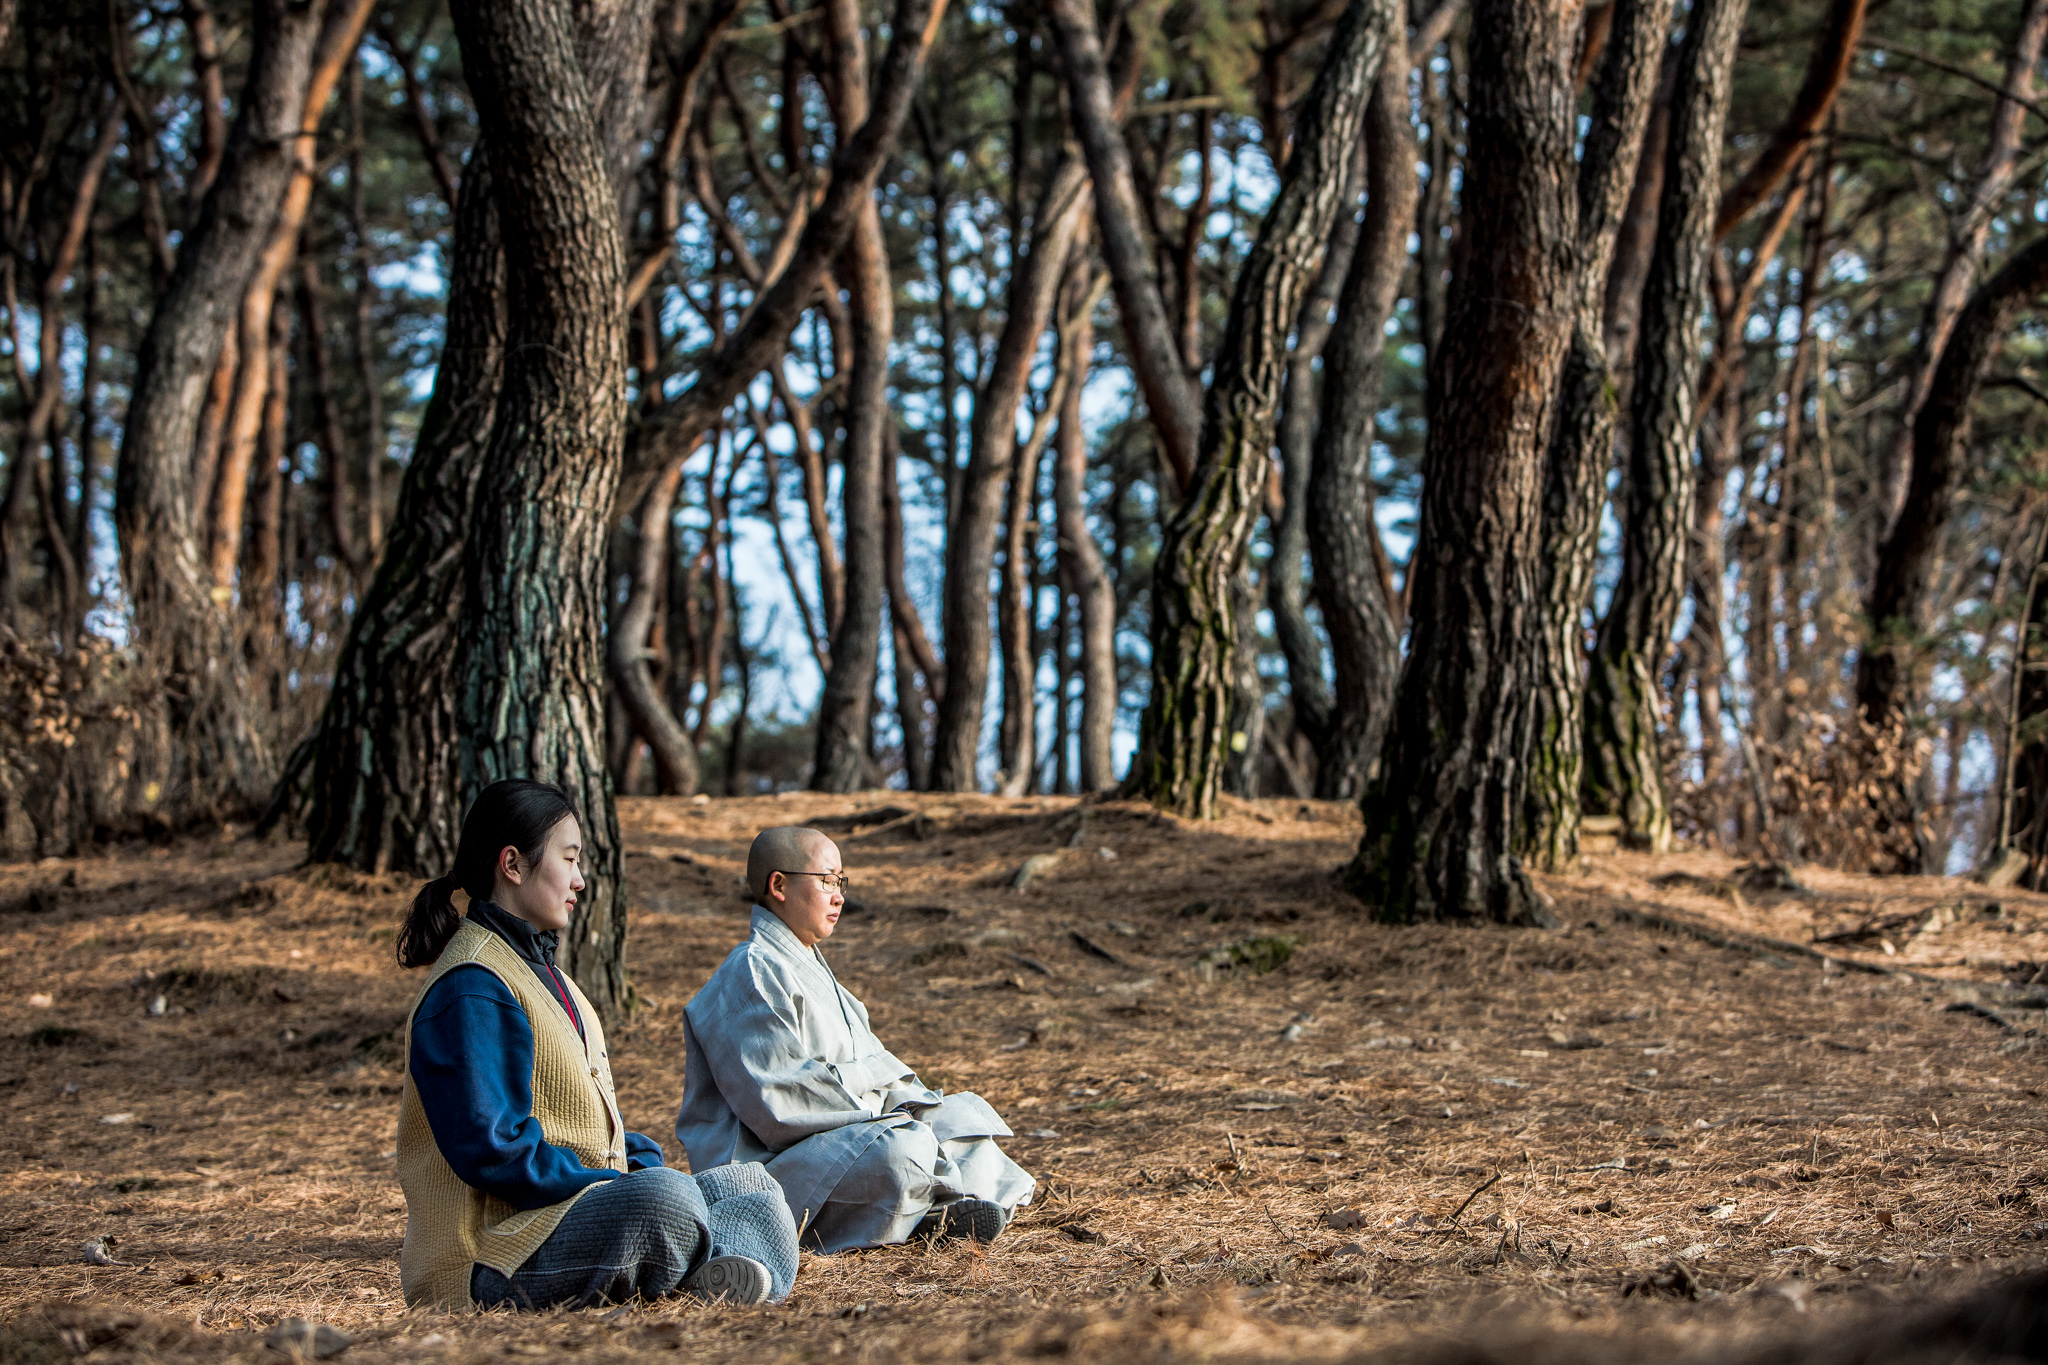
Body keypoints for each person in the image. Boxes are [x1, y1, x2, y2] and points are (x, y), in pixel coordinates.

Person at [394, 779, 799, 1310]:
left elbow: (574, 1126)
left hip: (559, 1218)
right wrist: (613, 1182)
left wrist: (631, 1157)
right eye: (570, 859)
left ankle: (713, 1276)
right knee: (669, 1200)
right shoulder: (472, 985)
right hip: (488, 1259)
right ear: (513, 865)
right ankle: (705, 1264)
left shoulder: (548, 976)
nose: (581, 880)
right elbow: (493, 1150)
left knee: (754, 1187)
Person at [676, 826, 1034, 1252]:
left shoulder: (827, 983)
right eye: (828, 880)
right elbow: (781, 1104)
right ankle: (933, 1210)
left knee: (960, 1122)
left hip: (850, 1134)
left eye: (841, 882)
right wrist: (882, 1107)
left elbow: (885, 1076)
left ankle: (935, 1211)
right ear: (779, 885)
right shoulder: (749, 974)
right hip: (769, 1170)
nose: (839, 896)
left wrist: (907, 1106)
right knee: (900, 1153)